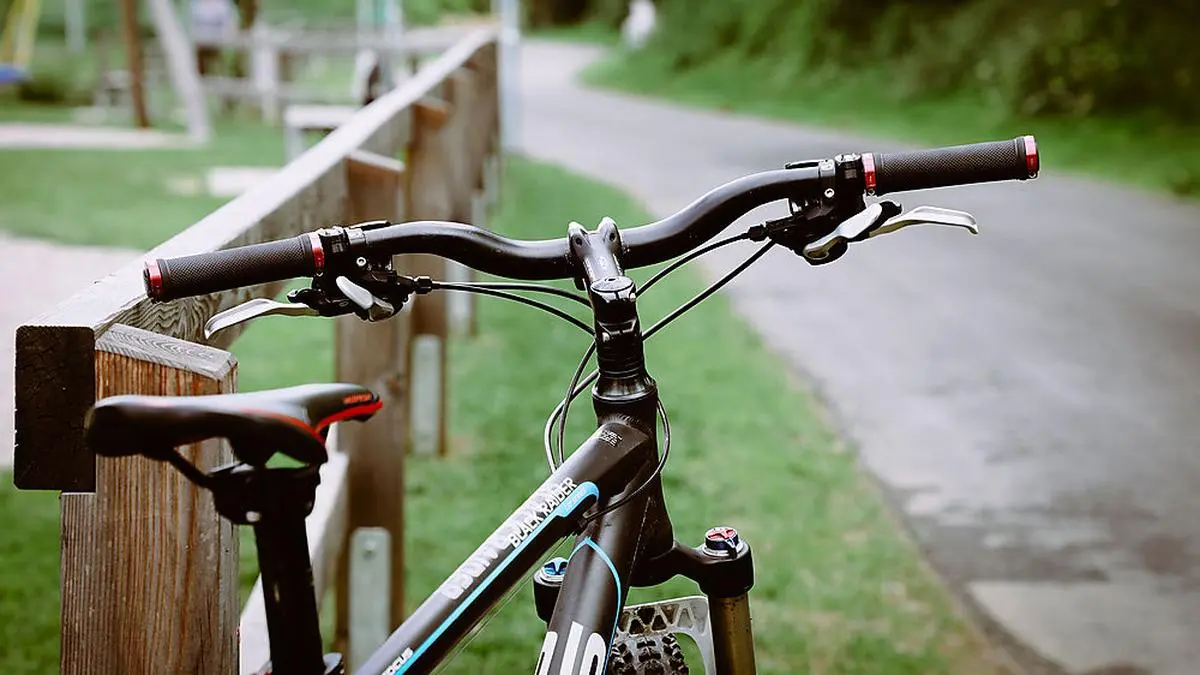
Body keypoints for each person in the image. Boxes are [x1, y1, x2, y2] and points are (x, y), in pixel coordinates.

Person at [190, 0, 237, 76]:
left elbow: (231, 24)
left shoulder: (223, 4)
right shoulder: (195, 3)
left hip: (219, 43)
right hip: (199, 44)